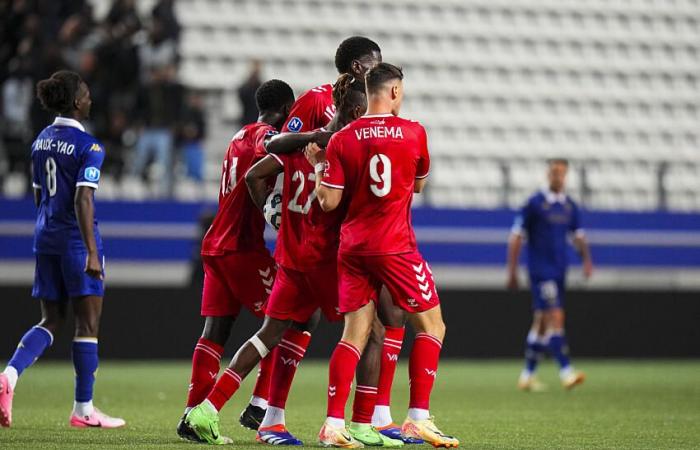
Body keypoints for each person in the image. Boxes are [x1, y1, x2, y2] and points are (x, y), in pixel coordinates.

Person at [307, 62, 459, 448]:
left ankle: (332, 425)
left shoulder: (343, 138)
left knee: (353, 336)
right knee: (433, 326)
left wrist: (317, 167)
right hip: (395, 246)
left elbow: (328, 201)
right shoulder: (413, 132)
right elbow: (420, 185)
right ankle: (417, 419)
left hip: (354, 247)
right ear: (393, 92)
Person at [247, 74, 401, 447]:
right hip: (328, 252)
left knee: (290, 328)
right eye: (372, 68)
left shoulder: (341, 134)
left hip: (307, 249)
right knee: (373, 328)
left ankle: (256, 413)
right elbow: (279, 156)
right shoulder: (335, 130)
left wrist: (275, 211)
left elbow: (267, 163)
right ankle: (356, 421)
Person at [277, 36, 415, 443]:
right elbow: (278, 151)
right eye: (376, 62)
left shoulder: (378, 112)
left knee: (390, 317)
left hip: (370, 227)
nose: (383, 67)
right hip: (340, 234)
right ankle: (300, 417)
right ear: (358, 68)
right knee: (343, 326)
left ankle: (374, 416)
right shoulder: (318, 103)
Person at [0, 70, 125, 428]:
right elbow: (83, 198)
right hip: (75, 240)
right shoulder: (90, 147)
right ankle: (83, 409)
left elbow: (39, 193)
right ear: (75, 102)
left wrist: (47, 227)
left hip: (45, 236)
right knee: (88, 323)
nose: (90, 98)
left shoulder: (40, 140)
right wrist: (91, 251)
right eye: (85, 93)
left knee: (51, 319)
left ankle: (9, 375)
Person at [175, 79, 295, 444]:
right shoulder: (263, 136)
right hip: (241, 247)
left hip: (215, 245)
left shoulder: (238, 134)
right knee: (283, 317)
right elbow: (270, 152)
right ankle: (258, 406)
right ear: (286, 108)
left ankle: (191, 415)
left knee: (215, 332)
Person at [507, 159, 593, 391]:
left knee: (542, 323)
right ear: (548, 174)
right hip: (540, 270)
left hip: (559, 270)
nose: (558, 177)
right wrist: (512, 270)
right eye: (555, 172)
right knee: (556, 316)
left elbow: (578, 236)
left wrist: (586, 260)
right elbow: (516, 236)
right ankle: (566, 372)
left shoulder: (569, 206)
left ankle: (527, 376)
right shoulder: (535, 203)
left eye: (562, 173)